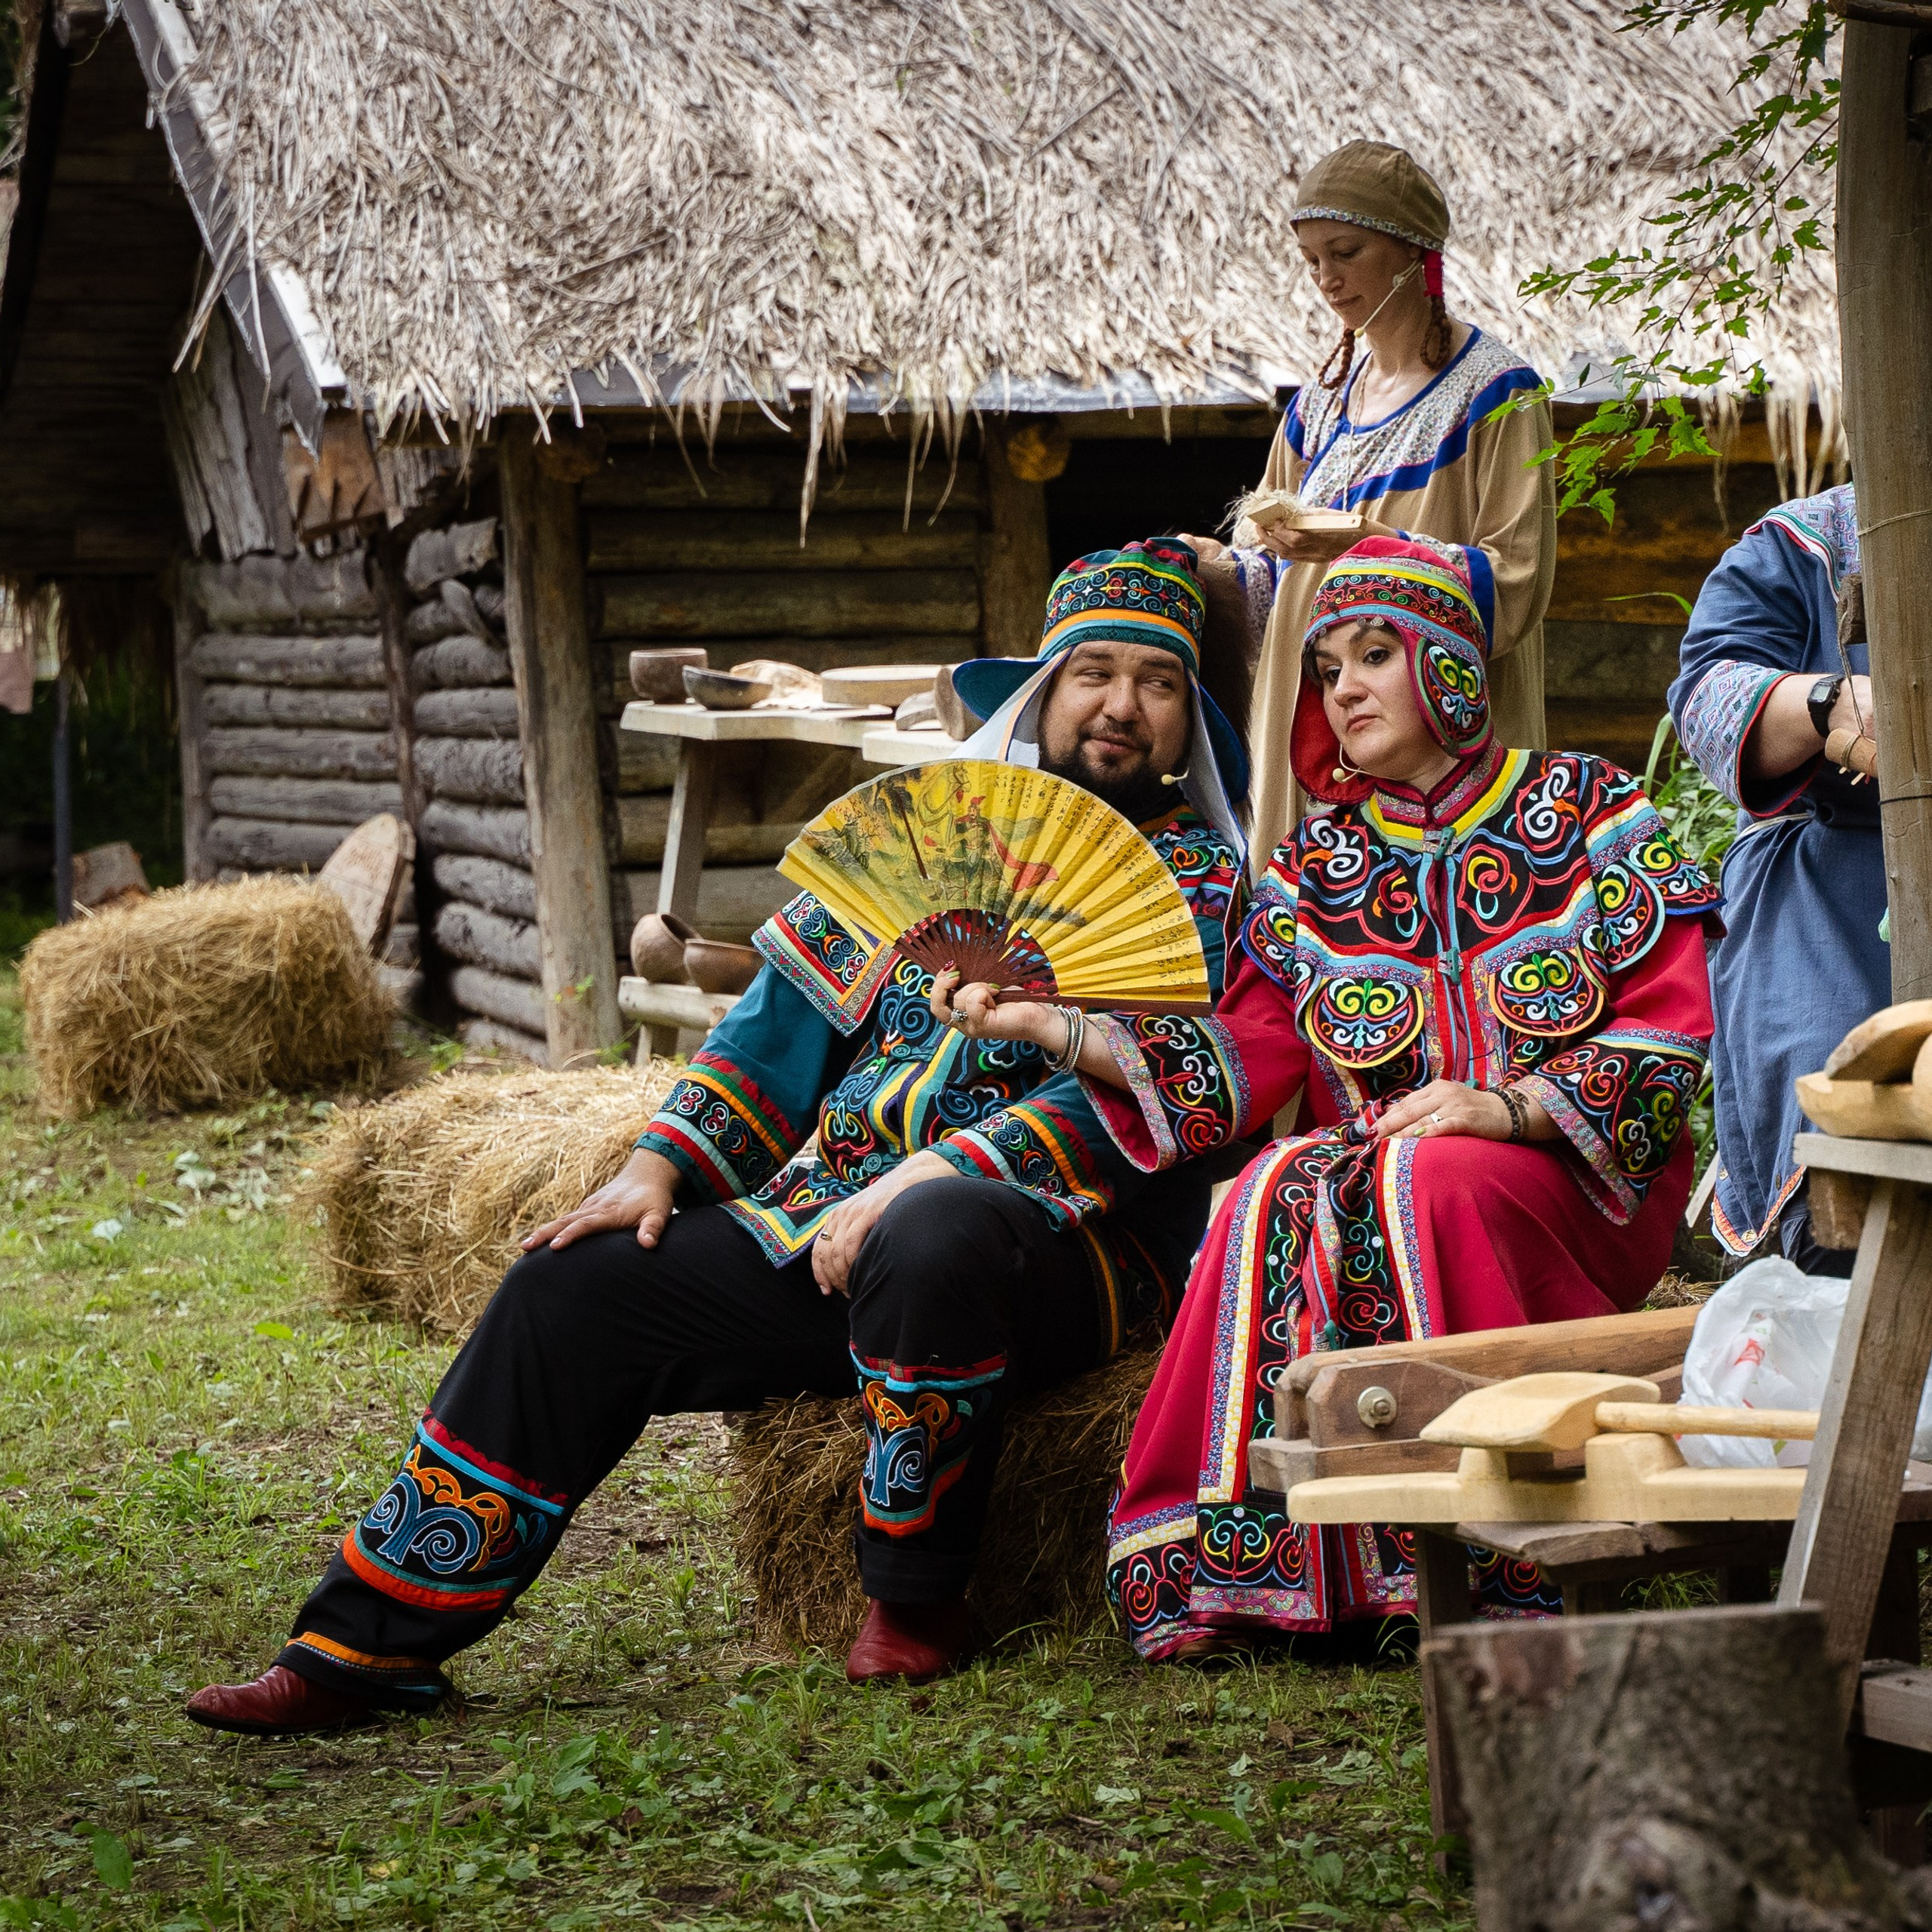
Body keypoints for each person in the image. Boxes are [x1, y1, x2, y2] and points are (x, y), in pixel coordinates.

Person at [182, 538, 1249, 1734]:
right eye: (1093, 672)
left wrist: (929, 1179)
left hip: (1070, 1254)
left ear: (1187, 718)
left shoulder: (1211, 894)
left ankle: (914, 1602)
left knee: (937, 1230)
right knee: (571, 1285)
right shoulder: (932, 846)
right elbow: (772, 1036)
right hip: (828, 1222)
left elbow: (1189, 1097)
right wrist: (656, 1167)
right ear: (1042, 690)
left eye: (1157, 683)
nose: (1122, 706)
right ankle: (362, 1648)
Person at [940, 539, 1719, 1660]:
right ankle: (1259, 1579)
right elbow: (1250, 1059)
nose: (1342, 687)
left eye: (1374, 655)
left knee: (1422, 1172)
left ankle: (1491, 1559)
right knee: (1268, 1182)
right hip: (1398, 1168)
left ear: (1450, 663)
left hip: (1577, 1177)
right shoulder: (1313, 868)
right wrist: (1054, 1028)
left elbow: (1667, 1027)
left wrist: (1508, 1109)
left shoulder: (1594, 810)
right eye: (1326, 668)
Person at [1186, 140, 1557, 863]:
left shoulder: (1498, 393)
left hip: (1431, 730)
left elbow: (1516, 580)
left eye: (1345, 251)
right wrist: (1217, 571)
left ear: (1414, 252)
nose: (1325, 277)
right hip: (1307, 710)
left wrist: (1367, 542)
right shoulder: (1318, 406)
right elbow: (1274, 582)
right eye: (1310, 259)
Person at [1667, 482, 1884, 1272]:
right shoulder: (1809, 542)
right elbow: (1704, 694)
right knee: (1841, 1104)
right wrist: (1828, 703)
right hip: (1832, 871)